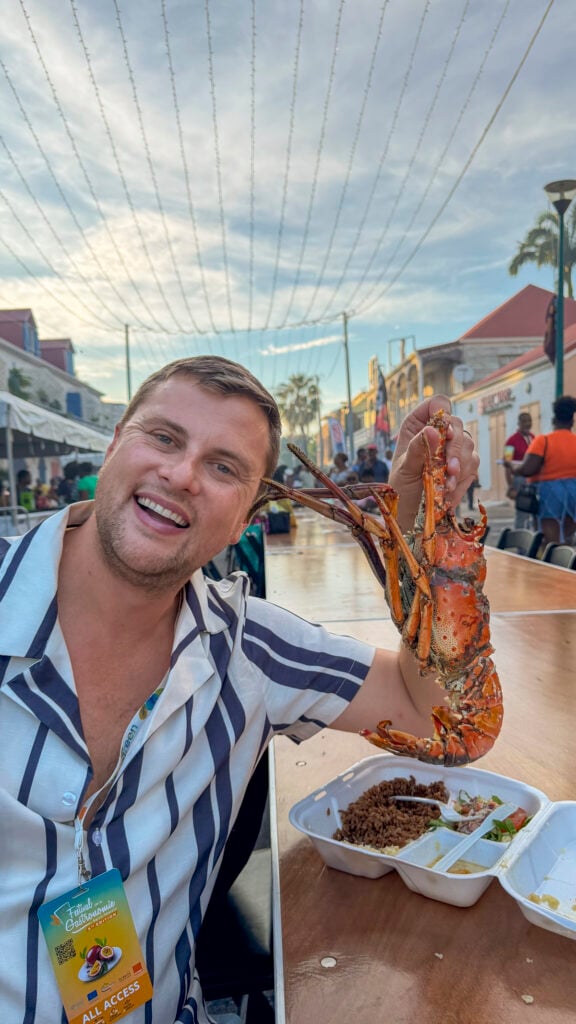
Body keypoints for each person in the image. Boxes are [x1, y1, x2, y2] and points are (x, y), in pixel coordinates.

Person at [0, 356, 477, 1024]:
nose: (182, 474)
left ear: (244, 521)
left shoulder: (252, 648)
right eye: (164, 438)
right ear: (112, 450)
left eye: (223, 467)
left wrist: (413, 520)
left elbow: (440, 717)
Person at [517, 395, 576, 544]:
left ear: (554, 420)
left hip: (549, 492)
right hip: (574, 491)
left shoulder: (543, 441)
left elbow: (528, 469)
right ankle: (567, 560)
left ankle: (551, 561)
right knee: (569, 533)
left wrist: (513, 468)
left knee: (549, 535)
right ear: (572, 421)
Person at [503, 412, 534, 528]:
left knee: (533, 514)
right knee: (522, 514)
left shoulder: (534, 438)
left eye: (529, 421)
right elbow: (506, 464)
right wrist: (511, 486)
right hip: (520, 481)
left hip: (533, 481)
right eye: (524, 421)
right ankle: (520, 544)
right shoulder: (511, 441)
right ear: (519, 423)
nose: (527, 424)